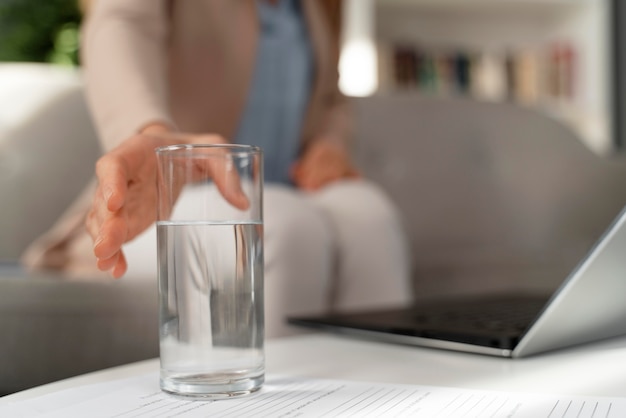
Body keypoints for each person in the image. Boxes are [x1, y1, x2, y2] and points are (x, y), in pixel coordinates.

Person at [25, 0, 412, 337]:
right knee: (281, 226)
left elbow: (331, 96)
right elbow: (119, 25)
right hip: (174, 200)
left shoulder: (314, 6)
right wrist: (154, 133)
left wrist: (330, 144)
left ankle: (383, 398)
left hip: (289, 189)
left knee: (370, 217)